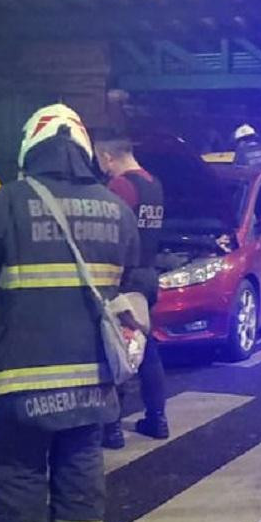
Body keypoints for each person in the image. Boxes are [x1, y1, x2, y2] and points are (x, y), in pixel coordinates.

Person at [0, 104, 140, 522]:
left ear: (30, 148)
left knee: (19, 462)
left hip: (25, 367)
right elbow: (138, 277)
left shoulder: (11, 201)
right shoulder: (116, 208)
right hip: (92, 369)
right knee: (81, 455)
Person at [93, 130, 169, 449]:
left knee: (114, 349)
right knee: (145, 347)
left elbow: (112, 232)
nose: (101, 167)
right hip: (148, 275)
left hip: (123, 277)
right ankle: (157, 418)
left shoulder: (121, 186)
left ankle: (111, 429)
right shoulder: (154, 184)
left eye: (100, 160)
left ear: (109, 156)